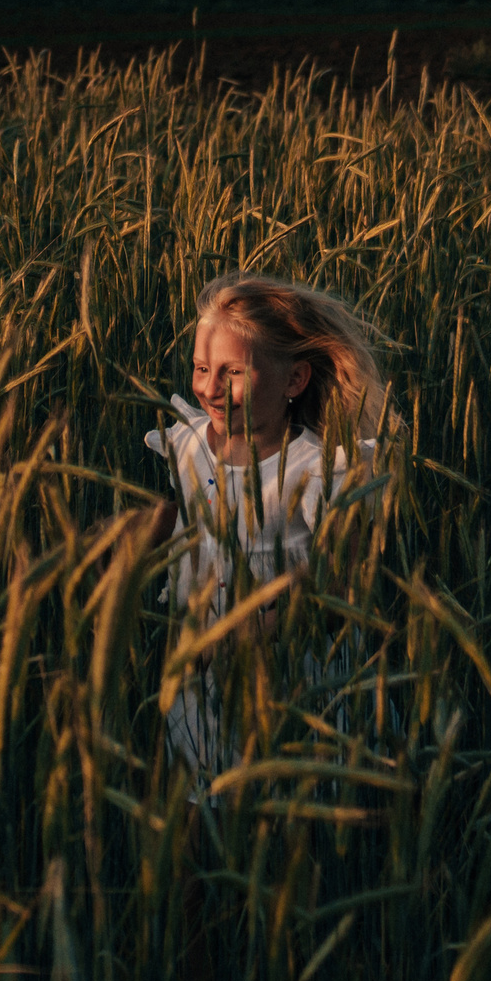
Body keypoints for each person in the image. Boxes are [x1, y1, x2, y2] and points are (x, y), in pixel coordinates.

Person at [138, 272, 388, 792]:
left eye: (232, 373)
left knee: (288, 822)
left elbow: (343, 575)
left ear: (294, 381)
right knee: (196, 808)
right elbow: (184, 509)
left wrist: (250, 633)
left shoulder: (317, 470)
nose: (208, 388)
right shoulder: (187, 442)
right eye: (201, 368)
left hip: (294, 681)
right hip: (200, 675)